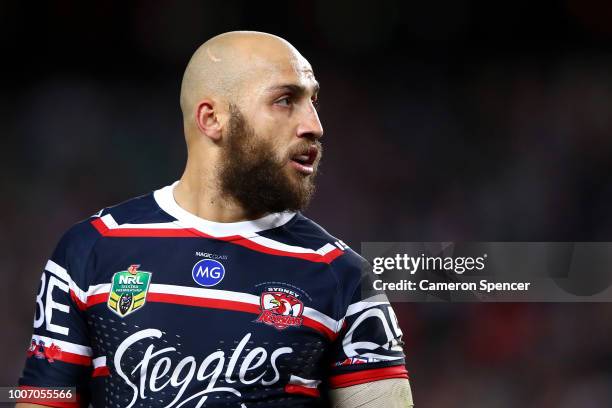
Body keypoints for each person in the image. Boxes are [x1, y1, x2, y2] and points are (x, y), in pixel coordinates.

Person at [17, 31, 414, 407]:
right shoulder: (92, 250)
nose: (314, 125)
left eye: (313, 101)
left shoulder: (343, 279)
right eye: (285, 100)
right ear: (211, 119)